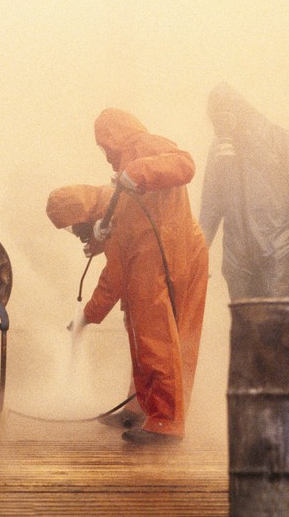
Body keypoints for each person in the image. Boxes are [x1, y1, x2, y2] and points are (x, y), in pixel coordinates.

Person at [46, 108, 209, 445]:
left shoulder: (145, 150)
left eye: (78, 227)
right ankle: (142, 407)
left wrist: (137, 170)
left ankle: (167, 420)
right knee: (145, 331)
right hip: (172, 253)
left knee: (156, 335)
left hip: (175, 252)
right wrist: (87, 316)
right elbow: (115, 276)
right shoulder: (115, 203)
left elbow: (186, 165)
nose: (80, 235)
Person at [199, 82, 289, 300]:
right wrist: (199, 252)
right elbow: (210, 205)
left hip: (277, 250)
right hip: (237, 253)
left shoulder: (281, 139)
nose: (219, 126)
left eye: (223, 117)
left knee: (273, 319)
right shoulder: (220, 148)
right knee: (244, 320)